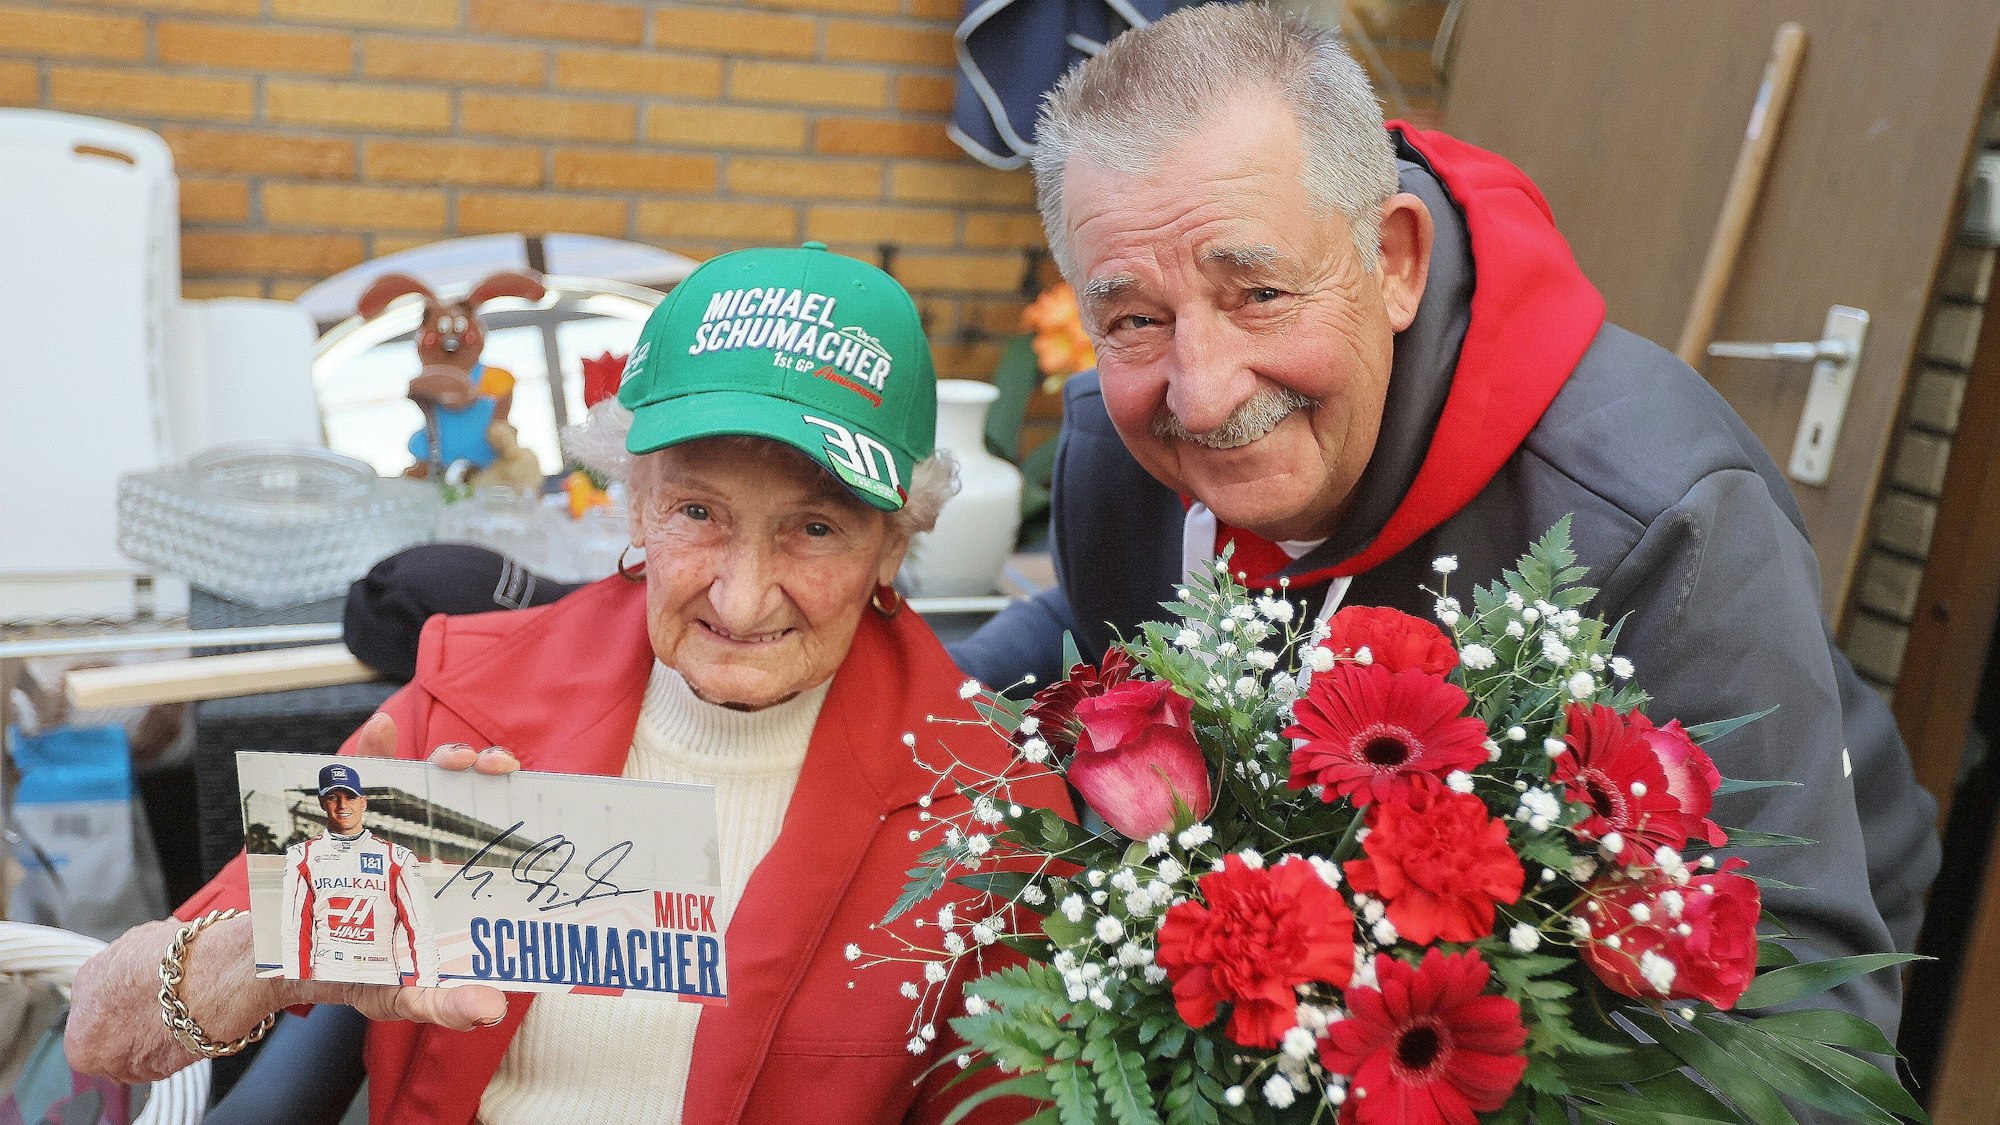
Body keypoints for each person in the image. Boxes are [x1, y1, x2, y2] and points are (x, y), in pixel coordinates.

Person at [949, 3, 1939, 1050]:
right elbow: (1109, 620)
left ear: (1393, 262)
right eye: (1134, 319)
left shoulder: (1654, 513)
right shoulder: (1122, 444)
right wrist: (918, 707)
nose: (1198, 395)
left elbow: (1805, 1008)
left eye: (1259, 292)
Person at [69, 243, 1067, 1124]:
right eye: (698, 512)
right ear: (631, 504)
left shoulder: (991, 802)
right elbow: (100, 1037)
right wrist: (286, 942)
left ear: (893, 544)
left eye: (814, 528)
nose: (743, 594)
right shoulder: (471, 695)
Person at [278, 763, 438, 988]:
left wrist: (427, 987)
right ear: (322, 802)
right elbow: (294, 930)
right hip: (327, 978)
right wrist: (297, 990)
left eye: (350, 797)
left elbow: (420, 928)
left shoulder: (397, 857)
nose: (343, 805)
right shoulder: (301, 856)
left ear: (363, 802)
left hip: (381, 978)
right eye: (333, 797)